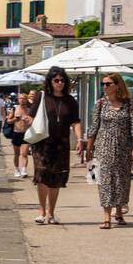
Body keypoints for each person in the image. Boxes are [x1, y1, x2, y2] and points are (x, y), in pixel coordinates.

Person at [86, 72, 133, 228]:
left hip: (124, 148)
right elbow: (94, 126)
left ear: (117, 85)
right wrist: (88, 148)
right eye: (103, 84)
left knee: (122, 180)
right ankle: (106, 217)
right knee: (104, 180)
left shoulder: (129, 104)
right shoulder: (100, 104)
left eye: (108, 84)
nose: (105, 87)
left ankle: (118, 212)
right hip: (103, 147)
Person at [30, 66, 84, 225]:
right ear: (50, 81)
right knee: (42, 175)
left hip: (62, 143)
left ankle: (51, 213)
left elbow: (76, 122)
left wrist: (80, 139)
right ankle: (42, 212)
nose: (59, 83)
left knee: (56, 177)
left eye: (62, 80)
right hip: (42, 143)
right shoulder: (41, 97)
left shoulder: (70, 100)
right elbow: (32, 117)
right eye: (56, 80)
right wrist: (26, 122)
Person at [7, 93, 34, 178]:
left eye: (24, 99)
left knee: (25, 153)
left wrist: (28, 121)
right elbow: (8, 121)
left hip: (26, 133)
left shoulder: (30, 110)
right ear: (18, 100)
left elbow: (33, 122)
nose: (22, 100)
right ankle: (16, 169)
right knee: (16, 154)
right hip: (16, 133)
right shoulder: (15, 109)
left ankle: (24, 170)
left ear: (26, 100)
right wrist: (16, 119)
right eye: (20, 99)